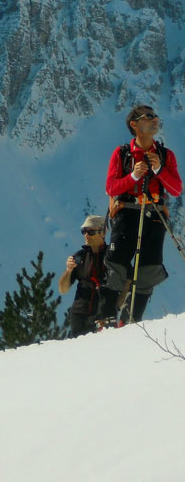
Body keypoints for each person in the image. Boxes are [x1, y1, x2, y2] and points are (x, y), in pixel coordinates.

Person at [97, 105, 182, 323]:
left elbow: (176, 189)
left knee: (148, 269)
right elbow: (111, 188)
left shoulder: (165, 155)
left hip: (153, 214)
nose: (155, 120)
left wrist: (159, 170)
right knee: (115, 265)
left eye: (155, 116)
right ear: (134, 125)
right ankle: (105, 320)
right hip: (128, 212)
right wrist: (133, 177)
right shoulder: (122, 153)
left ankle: (130, 321)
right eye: (149, 117)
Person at [58, 215, 107, 336]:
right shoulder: (80, 256)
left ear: (103, 232)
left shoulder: (111, 256)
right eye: (84, 231)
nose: (86, 235)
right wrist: (69, 270)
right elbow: (63, 289)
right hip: (79, 313)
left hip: (102, 314)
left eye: (90, 231)